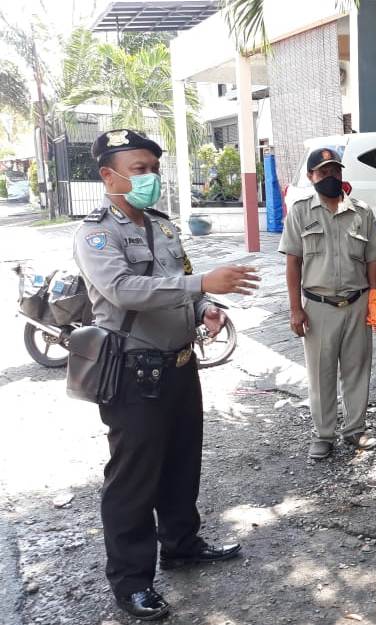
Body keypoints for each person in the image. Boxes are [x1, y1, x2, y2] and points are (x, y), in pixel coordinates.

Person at [74, 129, 259, 621]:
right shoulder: (96, 233)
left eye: (154, 168)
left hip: (179, 365)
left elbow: (182, 285)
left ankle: (181, 542)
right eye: (139, 169)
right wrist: (201, 283)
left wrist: (206, 308)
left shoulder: (164, 226)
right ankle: (132, 582)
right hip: (134, 373)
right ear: (107, 175)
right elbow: (124, 289)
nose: (150, 178)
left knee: (181, 463)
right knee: (133, 480)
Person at [279, 147, 376, 460]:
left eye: (335, 171)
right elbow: (293, 263)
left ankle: (355, 430)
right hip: (318, 307)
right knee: (321, 374)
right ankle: (323, 435)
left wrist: (375, 300)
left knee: (357, 371)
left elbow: (372, 260)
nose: (330, 177)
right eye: (323, 172)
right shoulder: (300, 212)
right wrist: (295, 308)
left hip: (357, 303)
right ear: (312, 177)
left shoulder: (362, 212)